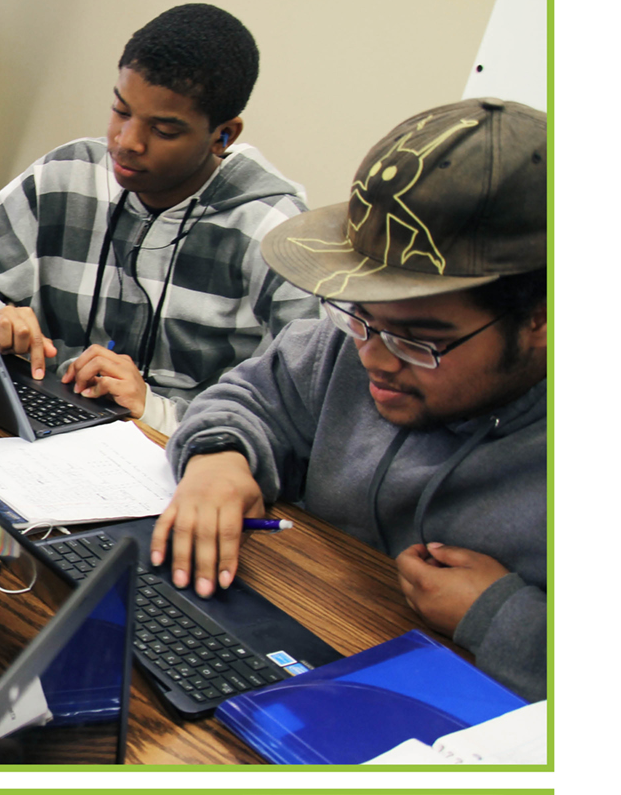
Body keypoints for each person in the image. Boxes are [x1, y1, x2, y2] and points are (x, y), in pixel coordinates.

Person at [151, 99, 546, 697]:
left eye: (420, 340)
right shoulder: (355, 341)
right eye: (360, 317)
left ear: (539, 319)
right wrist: (219, 458)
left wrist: (500, 617)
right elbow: (251, 395)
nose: (374, 359)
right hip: (313, 649)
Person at [0, 3, 317, 430]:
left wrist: (155, 410)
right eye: (121, 111)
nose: (126, 141)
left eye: (163, 130)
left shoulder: (277, 235)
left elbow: (299, 408)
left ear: (223, 135)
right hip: (43, 425)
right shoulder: (70, 175)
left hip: (177, 453)